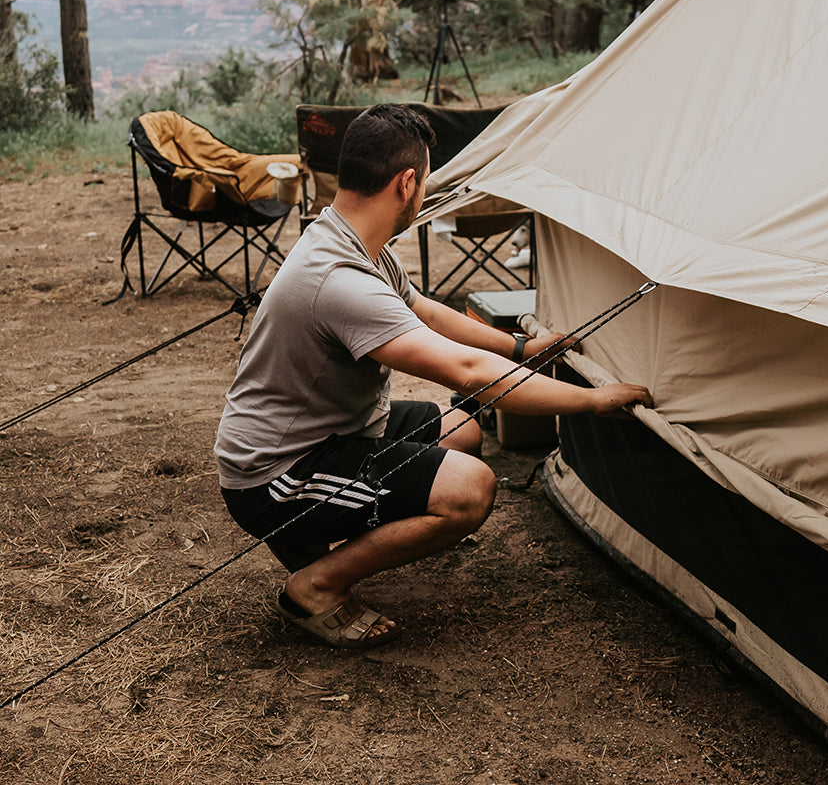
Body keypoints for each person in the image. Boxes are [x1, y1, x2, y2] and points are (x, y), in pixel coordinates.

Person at [214, 103, 652, 649]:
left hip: (330, 435)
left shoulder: (348, 239)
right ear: (407, 183)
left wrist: (521, 345)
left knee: (463, 433)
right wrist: (590, 400)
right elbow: (466, 371)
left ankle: (328, 539)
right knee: (470, 490)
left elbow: (423, 310)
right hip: (276, 476)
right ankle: (315, 584)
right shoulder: (340, 279)